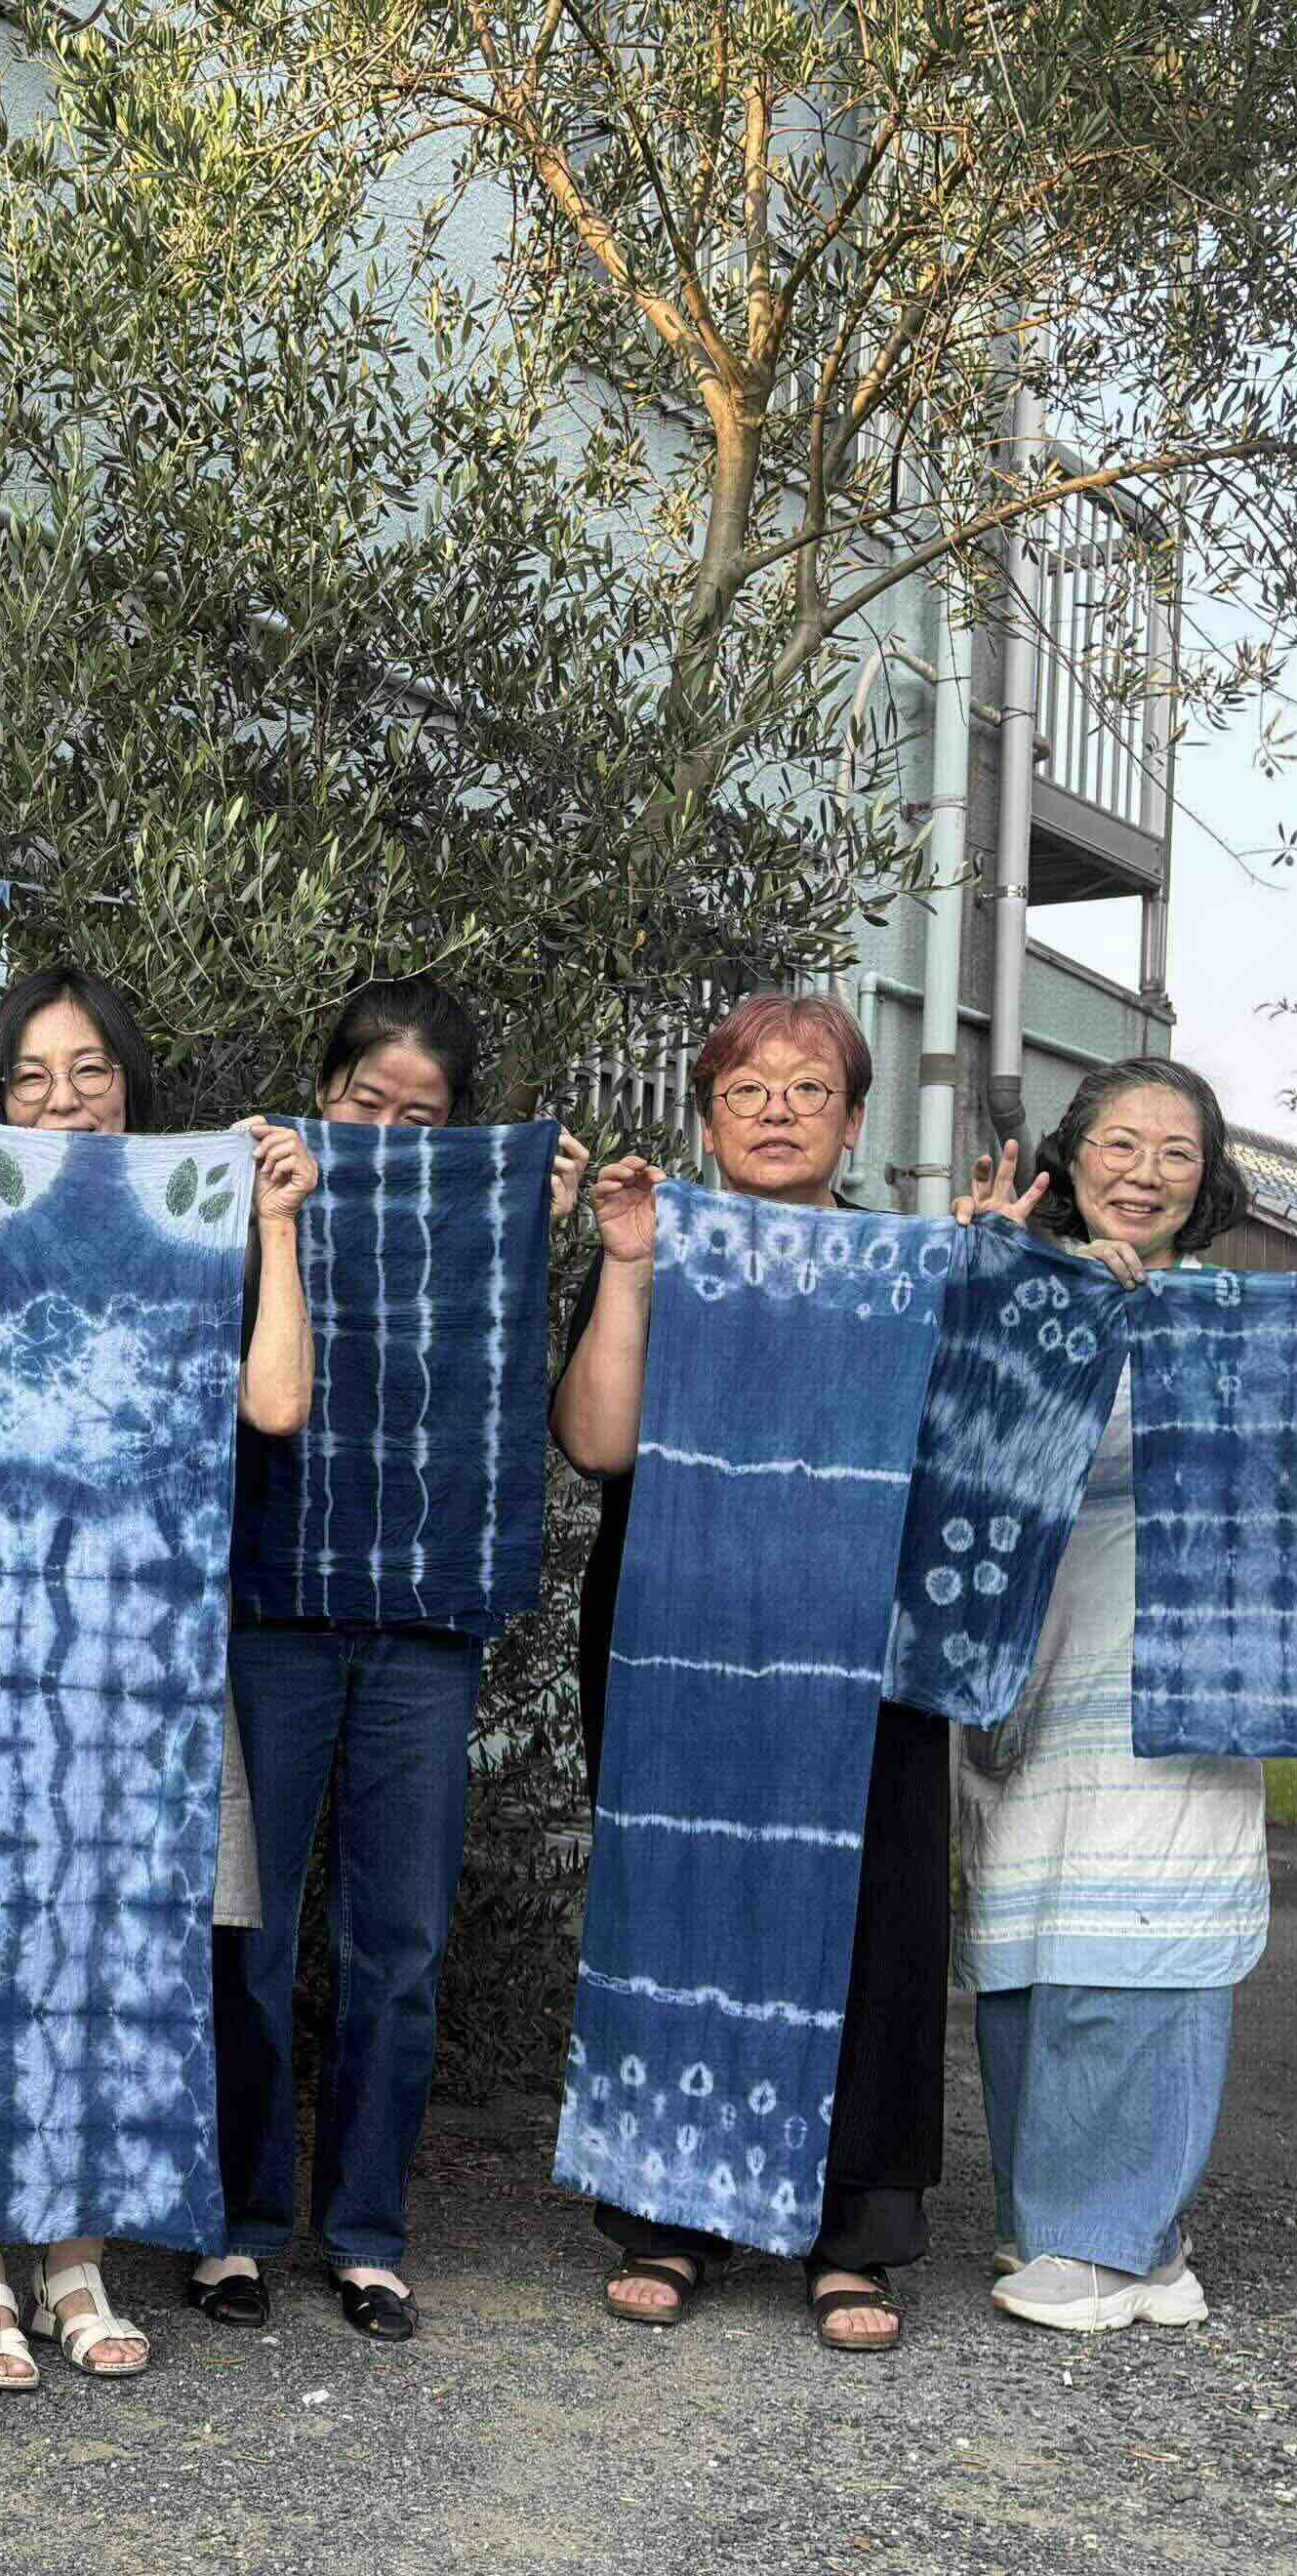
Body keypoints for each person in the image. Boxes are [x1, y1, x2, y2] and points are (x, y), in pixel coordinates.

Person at [0, 969, 318, 2390]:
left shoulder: (195, 1214)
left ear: (131, 1085)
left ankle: (75, 2261)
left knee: (121, 1913)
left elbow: (276, 1402)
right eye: (30, 1079)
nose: (62, 1101)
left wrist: (274, 1225)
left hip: (142, 1606)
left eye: (90, 1071)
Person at [952, 1058, 1297, 2333]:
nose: (1144, 1172)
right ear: (1071, 1154)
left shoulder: (1234, 1312)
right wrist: (997, 1288)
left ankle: (1112, 2236)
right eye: (1119, 1143)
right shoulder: (1013, 1282)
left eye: (1176, 1152)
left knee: (1143, 1935)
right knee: (1028, 1941)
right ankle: (1091, 2229)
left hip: (1189, 1655)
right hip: (1029, 1658)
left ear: (1207, 1181)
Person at [547, 990, 952, 2352]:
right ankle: (666, 2215)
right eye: (747, 1091)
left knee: (874, 1911)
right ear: (709, 1118)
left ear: (854, 1120)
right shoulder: (662, 1247)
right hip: (678, 1625)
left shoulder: (908, 1271)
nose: (778, 1113)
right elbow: (596, 1445)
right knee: (678, 1892)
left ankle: (855, 2237)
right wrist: (624, 1264)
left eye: (809, 1089)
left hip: (863, 1637)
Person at [199, 979, 588, 2342]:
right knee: (246, 1936)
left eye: (423, 1122)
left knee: (402, 1946)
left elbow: (511, 1374)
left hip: (426, 1620)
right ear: (323, 1094)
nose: (387, 1137)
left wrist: (528, 1224)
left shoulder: (485, 1223)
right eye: (366, 1105)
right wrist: (244, 1197)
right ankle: (237, 2227)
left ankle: (366, 2234)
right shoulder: (257, 1191)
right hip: (276, 1605)